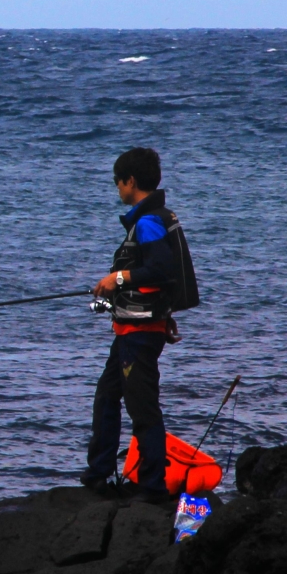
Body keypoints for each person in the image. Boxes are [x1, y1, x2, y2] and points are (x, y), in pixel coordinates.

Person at [85, 147, 196, 498]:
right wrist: (167, 315)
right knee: (107, 397)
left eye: (118, 183)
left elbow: (160, 269)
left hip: (139, 334)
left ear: (130, 181)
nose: (117, 190)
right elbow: (168, 279)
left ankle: (152, 484)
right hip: (132, 330)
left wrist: (115, 279)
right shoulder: (158, 216)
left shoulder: (147, 222)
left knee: (142, 406)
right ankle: (99, 472)